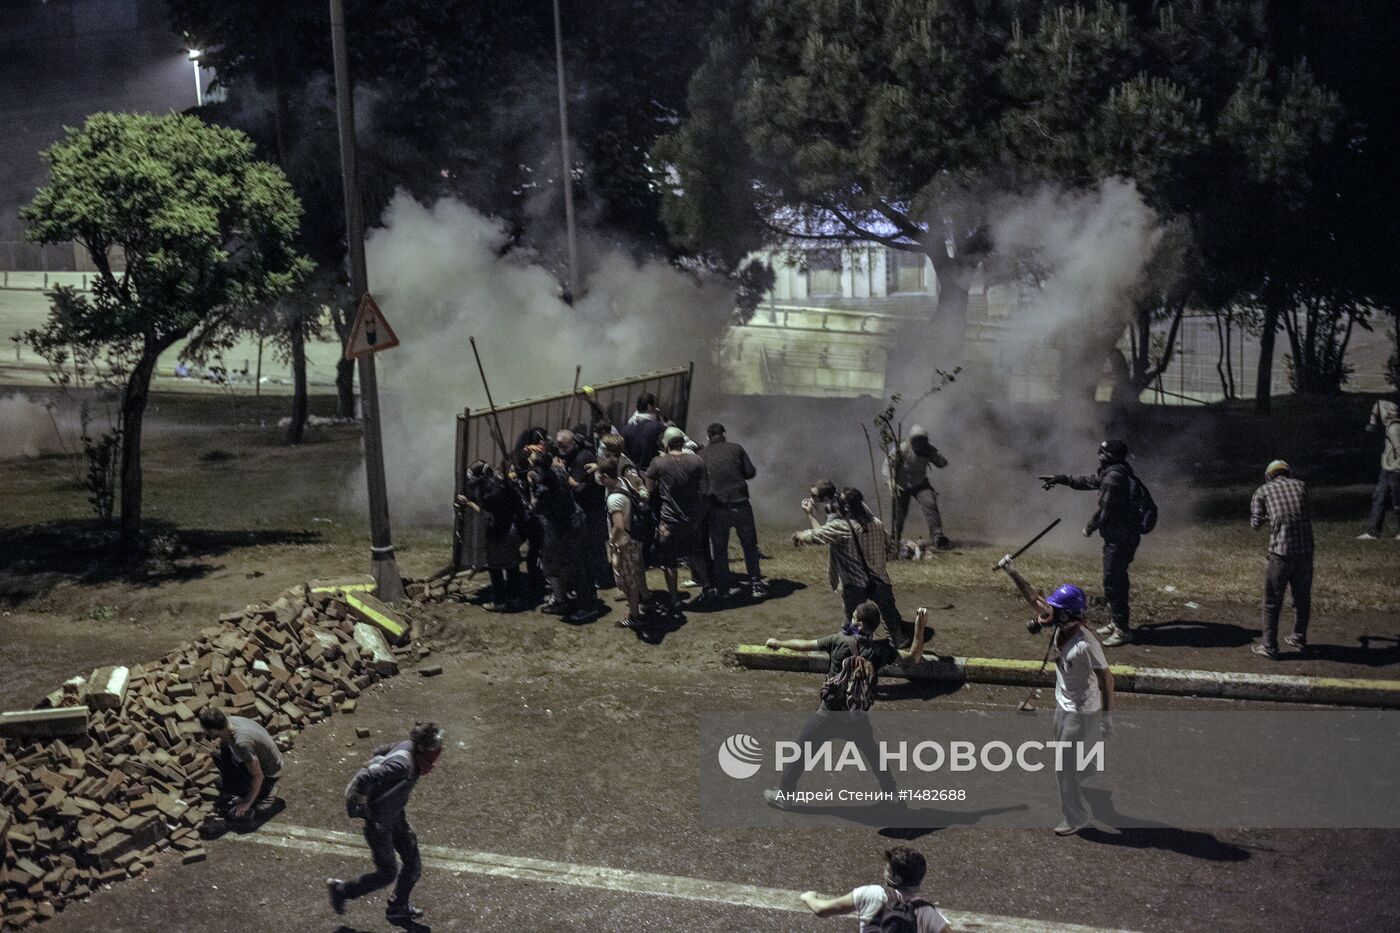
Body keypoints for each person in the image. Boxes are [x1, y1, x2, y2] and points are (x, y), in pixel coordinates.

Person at [762, 602, 928, 805]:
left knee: (801, 751)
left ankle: (785, 795)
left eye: (853, 618)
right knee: (873, 755)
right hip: (855, 718)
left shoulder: (837, 641)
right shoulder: (881, 651)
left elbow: (805, 645)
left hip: (827, 715)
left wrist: (779, 642)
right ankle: (891, 793)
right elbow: (914, 657)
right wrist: (919, 626)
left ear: (858, 624)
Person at [996, 557, 1113, 836]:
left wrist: (1107, 717)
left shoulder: (1087, 645)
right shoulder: (1061, 622)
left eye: (1055, 610)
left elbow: (1108, 678)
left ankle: (1075, 816)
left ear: (1068, 614)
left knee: (1063, 767)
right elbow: (1032, 598)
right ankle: (1088, 764)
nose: (1048, 612)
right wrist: (1012, 571)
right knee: (1067, 757)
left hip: (1082, 709)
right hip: (1062, 702)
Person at [329, 722, 443, 924]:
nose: (437, 755)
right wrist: (365, 805)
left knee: (413, 864)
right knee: (387, 873)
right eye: (434, 751)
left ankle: (398, 907)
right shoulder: (403, 765)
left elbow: (379, 751)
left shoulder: (408, 746)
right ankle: (342, 890)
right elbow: (365, 777)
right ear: (423, 749)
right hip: (379, 825)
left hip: (395, 815)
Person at [1038, 439, 1146, 647]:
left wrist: (1089, 527)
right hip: (1119, 537)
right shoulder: (1113, 472)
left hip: (1121, 539)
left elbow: (1104, 511)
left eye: (1102, 453)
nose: (1099, 455)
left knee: (1115, 582)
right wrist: (1062, 479)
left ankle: (1122, 629)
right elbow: (1088, 481)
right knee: (1111, 579)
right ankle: (1116, 621)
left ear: (1110, 456)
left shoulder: (1114, 478)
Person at [793, 487, 907, 647]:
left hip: (854, 584)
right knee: (890, 616)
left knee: (852, 622)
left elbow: (815, 536)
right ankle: (898, 644)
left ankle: (851, 647)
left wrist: (799, 534)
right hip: (880, 580)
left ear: (845, 508)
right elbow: (891, 548)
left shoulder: (842, 526)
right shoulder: (876, 523)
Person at [799, 845, 952, 933]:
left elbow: (821, 910)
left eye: (887, 869)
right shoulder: (927, 913)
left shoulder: (870, 894)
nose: (885, 871)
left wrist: (808, 897)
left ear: (896, 879)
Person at [645, 426, 716, 609]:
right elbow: (706, 491)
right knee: (694, 553)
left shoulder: (658, 463)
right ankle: (708, 586)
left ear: (666, 443)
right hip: (692, 519)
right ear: (682, 442)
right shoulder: (697, 461)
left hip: (669, 521)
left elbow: (649, 489)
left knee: (669, 561)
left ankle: (675, 599)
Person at [1250, 460, 1314, 658]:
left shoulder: (1262, 491)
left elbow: (1255, 523)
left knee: (1271, 601)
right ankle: (1298, 637)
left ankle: (1269, 647)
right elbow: (1303, 511)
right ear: (1288, 473)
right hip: (1305, 551)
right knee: (1301, 598)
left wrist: (1265, 518)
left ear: (1269, 475)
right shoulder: (1301, 485)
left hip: (1281, 552)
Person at [529, 450, 602, 622]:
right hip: (576, 519)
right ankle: (582, 597)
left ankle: (583, 606)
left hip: (563, 528)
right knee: (580, 561)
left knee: (568, 565)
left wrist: (532, 486)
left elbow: (536, 508)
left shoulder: (543, 487)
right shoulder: (559, 471)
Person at [698, 423, 767, 599]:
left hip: (717, 508)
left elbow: (701, 485)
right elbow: (750, 472)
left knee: (720, 551)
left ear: (708, 437)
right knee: (749, 546)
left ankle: (723, 589)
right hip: (741, 504)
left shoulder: (702, 455)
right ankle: (756, 584)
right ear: (724, 434)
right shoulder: (736, 448)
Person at [457, 460, 525, 611]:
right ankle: (515, 599)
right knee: (512, 566)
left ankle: (500, 602)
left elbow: (485, 514)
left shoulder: (490, 495)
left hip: (499, 533)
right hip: (512, 530)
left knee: (495, 568)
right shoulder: (502, 481)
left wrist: (468, 503)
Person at [198, 707, 282, 825]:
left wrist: (246, 802)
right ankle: (242, 789)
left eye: (205, 729)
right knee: (219, 757)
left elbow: (258, 776)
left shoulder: (242, 742)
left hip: (270, 770)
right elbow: (225, 745)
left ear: (212, 730)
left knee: (229, 786)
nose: (204, 732)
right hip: (260, 756)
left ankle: (268, 790)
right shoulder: (228, 722)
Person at [595, 455, 650, 629]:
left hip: (624, 542)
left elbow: (618, 525)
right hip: (634, 536)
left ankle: (634, 615)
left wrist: (611, 542)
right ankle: (639, 606)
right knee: (633, 574)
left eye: (599, 474)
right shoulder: (623, 481)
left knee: (627, 580)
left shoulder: (613, 499)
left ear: (605, 476)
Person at [556, 429, 611, 591]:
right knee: (589, 546)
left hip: (592, 509)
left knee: (596, 545)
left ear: (573, 443)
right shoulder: (574, 454)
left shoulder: (583, 458)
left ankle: (602, 578)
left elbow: (577, 485)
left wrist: (562, 472)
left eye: (564, 447)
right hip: (587, 509)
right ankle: (597, 575)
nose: (561, 451)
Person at [883, 425, 950, 550]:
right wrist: (890, 481)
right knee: (899, 514)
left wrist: (938, 457)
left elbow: (942, 463)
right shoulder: (903, 449)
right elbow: (887, 466)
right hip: (901, 486)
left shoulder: (929, 450)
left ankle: (937, 537)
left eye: (923, 440)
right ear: (911, 440)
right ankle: (894, 539)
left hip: (920, 484)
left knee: (930, 504)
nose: (920, 443)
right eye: (917, 440)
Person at [1358, 397, 1400, 540]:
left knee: (1397, 501)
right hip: (1387, 468)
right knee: (1379, 498)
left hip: (1395, 470)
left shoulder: (1394, 428)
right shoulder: (1391, 426)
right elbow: (1377, 404)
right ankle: (1373, 531)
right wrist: (1372, 420)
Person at [622, 392, 668, 471]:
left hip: (633, 473)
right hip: (653, 473)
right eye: (655, 405)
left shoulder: (626, 429)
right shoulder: (657, 427)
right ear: (649, 407)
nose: (657, 408)